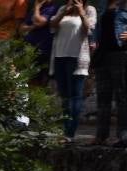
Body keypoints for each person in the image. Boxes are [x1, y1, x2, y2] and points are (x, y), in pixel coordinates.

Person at [51, 0, 97, 142]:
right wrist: (65, 11)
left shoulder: (89, 10)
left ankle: (70, 133)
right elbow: (52, 26)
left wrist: (81, 12)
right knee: (64, 96)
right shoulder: (63, 9)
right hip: (59, 57)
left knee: (75, 96)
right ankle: (65, 130)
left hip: (77, 58)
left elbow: (89, 29)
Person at [92, 0, 127, 146]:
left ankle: (123, 137)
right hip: (102, 56)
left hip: (121, 54)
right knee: (103, 99)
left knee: (122, 97)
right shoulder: (102, 5)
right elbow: (97, 29)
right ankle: (101, 136)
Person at [19, 0, 61, 85]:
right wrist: (33, 26)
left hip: (42, 50)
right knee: (29, 78)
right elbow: (21, 28)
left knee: (39, 80)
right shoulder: (36, 9)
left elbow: (40, 21)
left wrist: (37, 8)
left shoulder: (53, 8)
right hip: (29, 49)